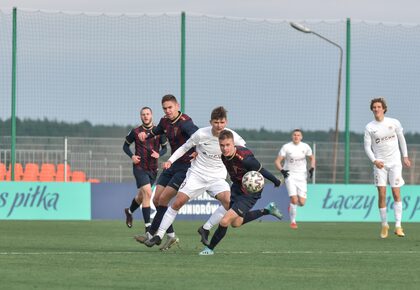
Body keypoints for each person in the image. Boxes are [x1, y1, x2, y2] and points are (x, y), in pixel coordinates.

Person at [144, 107, 283, 248]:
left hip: (217, 178)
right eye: (216, 122)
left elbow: (245, 152)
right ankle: (159, 235)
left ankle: (205, 228)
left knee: (230, 205)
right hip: (197, 175)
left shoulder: (232, 137)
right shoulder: (201, 134)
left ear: (226, 122)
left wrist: (250, 171)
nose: (219, 126)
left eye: (222, 122)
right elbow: (185, 147)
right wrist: (170, 160)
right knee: (178, 202)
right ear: (211, 122)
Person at [199, 130, 282, 256]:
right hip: (236, 188)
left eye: (228, 145)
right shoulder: (223, 156)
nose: (225, 148)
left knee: (224, 221)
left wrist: (276, 181)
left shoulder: (246, 159)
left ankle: (210, 249)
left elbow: (262, 170)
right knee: (236, 223)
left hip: (249, 193)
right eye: (222, 145)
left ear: (233, 144)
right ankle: (267, 210)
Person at [135, 94, 198, 250]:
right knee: (156, 200)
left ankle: (152, 235)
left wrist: (198, 151)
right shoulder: (164, 121)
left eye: (170, 107)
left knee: (163, 200)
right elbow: (157, 130)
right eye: (165, 108)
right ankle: (171, 237)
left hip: (185, 167)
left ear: (177, 106)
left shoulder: (186, 123)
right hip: (172, 164)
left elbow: (199, 137)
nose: (168, 111)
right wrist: (146, 135)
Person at [364, 97, 411, 238]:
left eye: (379, 106)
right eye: (374, 107)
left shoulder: (394, 123)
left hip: (395, 163)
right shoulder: (369, 127)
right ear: (372, 109)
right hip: (380, 164)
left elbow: (401, 139)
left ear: (384, 108)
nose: (376, 109)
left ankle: (398, 226)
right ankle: (384, 225)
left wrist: (405, 156)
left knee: (396, 193)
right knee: (382, 193)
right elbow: (367, 147)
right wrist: (374, 161)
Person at [123, 107, 168, 232]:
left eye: (147, 114)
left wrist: (160, 154)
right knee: (148, 193)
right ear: (140, 116)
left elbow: (165, 148)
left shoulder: (159, 131)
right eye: (143, 114)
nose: (145, 116)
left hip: (153, 169)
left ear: (151, 115)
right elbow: (125, 146)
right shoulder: (136, 131)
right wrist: (132, 156)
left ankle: (129, 211)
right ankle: (148, 227)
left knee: (141, 196)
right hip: (139, 167)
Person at [274, 129, 315, 229]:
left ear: (301, 137)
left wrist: (312, 168)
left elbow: (312, 158)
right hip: (290, 175)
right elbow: (277, 161)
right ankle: (293, 222)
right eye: (294, 135)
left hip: (302, 176)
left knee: (302, 202)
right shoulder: (286, 147)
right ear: (292, 136)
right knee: (294, 199)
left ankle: (293, 205)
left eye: (298, 135)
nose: (296, 137)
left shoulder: (305, 147)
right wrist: (282, 170)